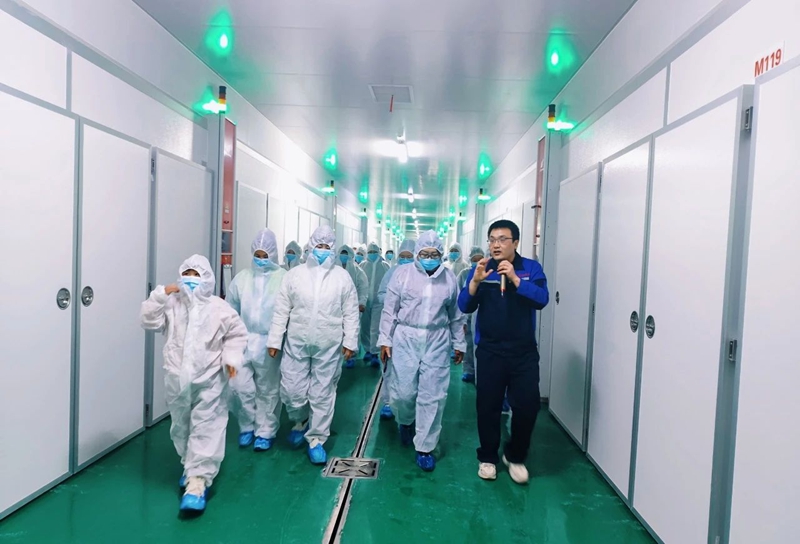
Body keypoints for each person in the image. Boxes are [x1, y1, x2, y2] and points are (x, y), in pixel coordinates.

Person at [140, 255, 247, 512]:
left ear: (207, 278)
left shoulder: (219, 308)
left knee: (207, 426)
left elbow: (237, 334)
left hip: (210, 378)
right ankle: (189, 466)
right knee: (181, 426)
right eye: (186, 273)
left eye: (196, 274)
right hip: (176, 377)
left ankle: (198, 482)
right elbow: (148, 321)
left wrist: (231, 358)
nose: (190, 279)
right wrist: (160, 294)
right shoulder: (172, 304)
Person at [458, 220, 549, 484]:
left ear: (516, 242)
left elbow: (542, 299)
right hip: (490, 351)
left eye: (502, 239)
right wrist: (475, 283)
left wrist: (515, 279)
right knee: (488, 405)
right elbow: (464, 306)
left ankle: (515, 455)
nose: (495, 245)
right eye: (492, 239)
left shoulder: (530, 269)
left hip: (523, 352)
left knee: (527, 405)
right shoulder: (481, 269)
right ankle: (488, 457)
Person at [267, 225, 360, 465]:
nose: (322, 250)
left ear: (333, 249)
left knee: (323, 393)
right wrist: (275, 339)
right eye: (319, 245)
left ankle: (316, 439)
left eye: (327, 246)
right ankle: (300, 420)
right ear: (310, 246)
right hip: (297, 342)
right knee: (292, 390)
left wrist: (350, 341)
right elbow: (281, 310)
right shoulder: (294, 275)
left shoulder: (342, 277)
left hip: (329, 344)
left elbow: (350, 312)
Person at [378, 231, 466, 472]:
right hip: (406, 337)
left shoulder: (449, 278)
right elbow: (389, 310)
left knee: (433, 395)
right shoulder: (402, 275)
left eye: (433, 254)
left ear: (440, 254)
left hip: (437, 339)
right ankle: (406, 421)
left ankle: (425, 446)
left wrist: (459, 343)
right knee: (403, 392)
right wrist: (385, 339)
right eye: (424, 254)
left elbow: (456, 315)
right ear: (417, 253)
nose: (429, 258)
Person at [227, 229, 286, 452]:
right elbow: (231, 310)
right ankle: (246, 426)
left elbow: (287, 312)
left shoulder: (283, 278)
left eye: (265, 255)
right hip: (243, 340)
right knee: (239, 386)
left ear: (273, 254)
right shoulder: (241, 278)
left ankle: (265, 431)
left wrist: (278, 340)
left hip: (269, 342)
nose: (261, 260)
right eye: (257, 255)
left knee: (268, 390)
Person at [374, 239, 416, 420]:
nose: (405, 259)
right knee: (389, 366)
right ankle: (387, 402)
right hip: (392, 326)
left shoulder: (420, 275)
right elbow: (381, 294)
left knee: (410, 370)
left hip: (411, 330)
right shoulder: (391, 272)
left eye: (409, 256)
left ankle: (409, 404)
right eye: (403, 256)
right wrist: (394, 302)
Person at [456, 246, 485, 384]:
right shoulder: (464, 274)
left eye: (480, 259)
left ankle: (480, 373)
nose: (477, 262)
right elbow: (459, 295)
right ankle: (469, 370)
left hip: (481, 314)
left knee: (480, 346)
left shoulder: (489, 273)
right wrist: (460, 318)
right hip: (467, 313)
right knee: (468, 344)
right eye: (474, 259)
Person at [338, 244, 369, 368]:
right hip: (336, 306)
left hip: (353, 306)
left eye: (346, 254)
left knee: (352, 329)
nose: (343, 257)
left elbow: (363, 288)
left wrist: (362, 303)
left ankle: (352, 355)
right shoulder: (333, 269)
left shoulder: (358, 271)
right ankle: (337, 354)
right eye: (342, 254)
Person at [361, 242, 390, 367]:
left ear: (379, 252)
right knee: (365, 327)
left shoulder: (385, 266)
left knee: (376, 327)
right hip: (365, 301)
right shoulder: (362, 265)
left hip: (379, 302)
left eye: (374, 252)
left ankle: (374, 352)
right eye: (370, 252)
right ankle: (367, 349)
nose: (372, 254)